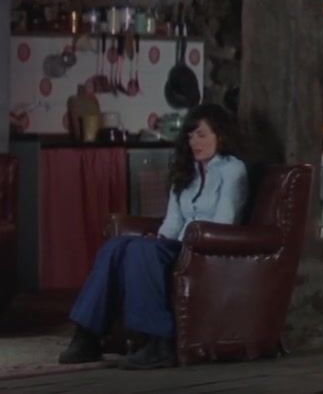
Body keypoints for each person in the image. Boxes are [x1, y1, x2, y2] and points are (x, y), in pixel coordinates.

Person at [58, 104, 249, 370]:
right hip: (177, 244)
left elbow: (225, 221)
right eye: (190, 136)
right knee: (117, 246)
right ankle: (87, 335)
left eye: (202, 135)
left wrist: (181, 241)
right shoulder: (187, 170)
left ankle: (159, 344)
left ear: (221, 136)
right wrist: (158, 239)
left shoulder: (233, 170)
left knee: (142, 251)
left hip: (206, 247)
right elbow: (173, 221)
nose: (194, 142)